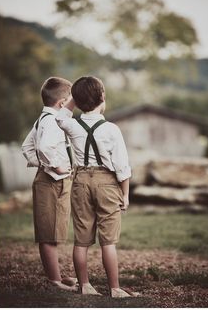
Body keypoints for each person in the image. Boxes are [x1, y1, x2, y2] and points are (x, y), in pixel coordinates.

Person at [55, 76, 132, 297]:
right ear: (103, 97)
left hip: (80, 182)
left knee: (82, 239)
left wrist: (73, 100)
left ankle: (86, 285)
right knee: (108, 241)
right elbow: (122, 166)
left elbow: (60, 117)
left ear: (77, 101)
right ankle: (115, 289)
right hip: (106, 183)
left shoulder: (71, 124)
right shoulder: (111, 129)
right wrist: (125, 194)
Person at [22, 76, 77, 291]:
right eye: (71, 100)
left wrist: (43, 165)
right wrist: (54, 167)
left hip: (51, 180)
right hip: (52, 181)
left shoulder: (42, 119)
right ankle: (54, 281)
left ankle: (57, 276)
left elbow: (27, 147)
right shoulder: (52, 121)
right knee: (48, 233)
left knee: (54, 230)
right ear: (62, 103)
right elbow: (43, 147)